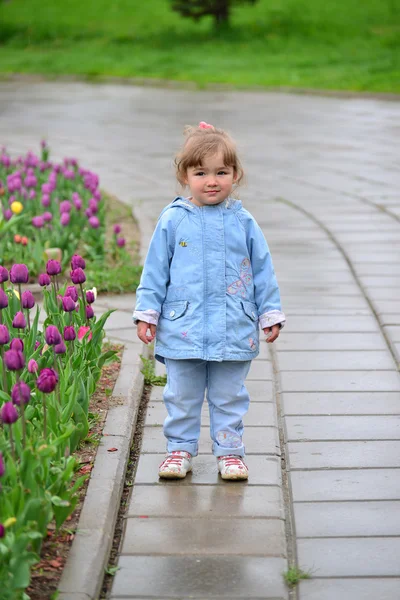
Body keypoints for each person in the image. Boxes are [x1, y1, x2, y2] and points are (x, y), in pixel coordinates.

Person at [133, 121, 285, 481]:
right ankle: (179, 450)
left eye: (222, 172)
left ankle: (230, 452)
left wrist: (269, 312)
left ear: (236, 174)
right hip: (183, 326)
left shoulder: (243, 222)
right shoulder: (173, 220)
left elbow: (263, 269)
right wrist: (147, 313)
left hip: (233, 325)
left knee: (229, 396)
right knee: (181, 396)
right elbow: (155, 270)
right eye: (201, 172)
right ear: (185, 176)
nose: (212, 180)